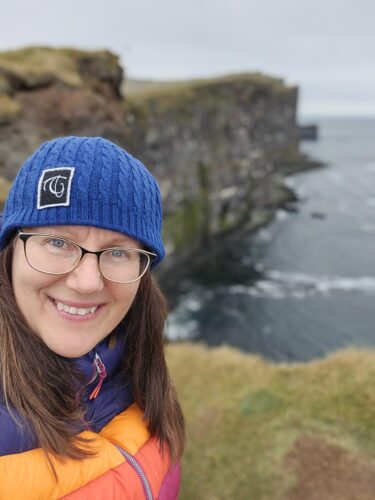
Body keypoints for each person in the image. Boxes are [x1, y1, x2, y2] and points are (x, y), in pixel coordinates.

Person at [0, 136, 185, 499]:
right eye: (58, 242)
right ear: (11, 249)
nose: (86, 282)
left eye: (118, 252)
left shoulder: (141, 373)